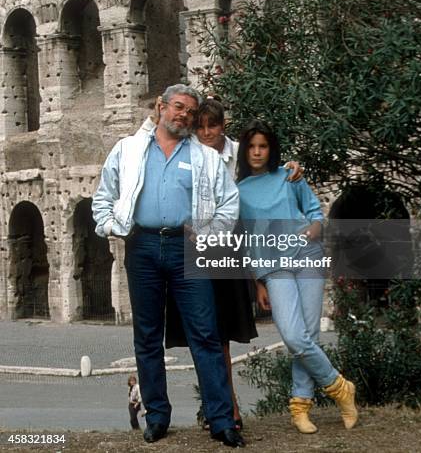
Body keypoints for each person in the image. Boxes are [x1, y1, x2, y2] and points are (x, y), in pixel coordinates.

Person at [92, 84, 245, 448]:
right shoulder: (128, 149)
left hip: (186, 246)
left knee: (205, 334)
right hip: (142, 244)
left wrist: (207, 233)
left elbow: (229, 203)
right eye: (178, 107)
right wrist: (113, 226)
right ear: (160, 107)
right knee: (147, 336)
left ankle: (222, 420)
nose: (185, 116)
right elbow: (104, 195)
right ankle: (157, 417)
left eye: (191, 112)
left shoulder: (206, 157)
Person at [162, 98, 303, 429]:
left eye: (213, 125)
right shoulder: (185, 153)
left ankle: (223, 406)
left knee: (221, 333)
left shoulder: (240, 154)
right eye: (200, 126)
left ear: (223, 125)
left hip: (229, 248)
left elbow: (268, 171)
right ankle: (222, 406)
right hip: (195, 249)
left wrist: (292, 168)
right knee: (204, 334)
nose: (206, 131)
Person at [236, 120, 358, 434]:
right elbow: (248, 240)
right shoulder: (238, 191)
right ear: (244, 150)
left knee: (309, 334)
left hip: (307, 256)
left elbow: (314, 211)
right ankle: (340, 387)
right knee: (293, 336)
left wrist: (316, 227)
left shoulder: (290, 175)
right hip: (274, 268)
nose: (257, 152)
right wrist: (258, 282)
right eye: (251, 146)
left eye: (263, 146)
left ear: (271, 148)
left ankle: (300, 405)